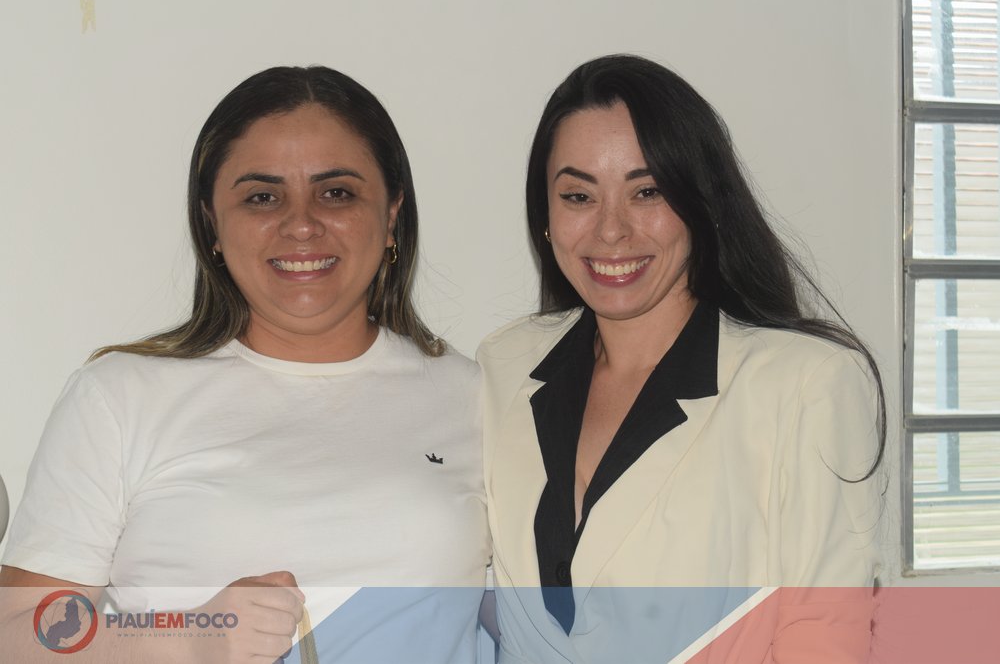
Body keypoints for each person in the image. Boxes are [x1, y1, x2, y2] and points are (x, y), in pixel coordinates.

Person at [0, 65, 489, 663]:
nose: (301, 224)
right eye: (262, 197)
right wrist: (189, 639)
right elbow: (16, 638)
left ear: (391, 215)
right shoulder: (118, 396)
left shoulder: (479, 397)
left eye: (336, 192)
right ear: (212, 221)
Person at [477, 54, 886, 663]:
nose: (611, 230)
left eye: (647, 191)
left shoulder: (808, 385)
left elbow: (822, 638)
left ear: (702, 204)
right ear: (546, 216)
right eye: (578, 195)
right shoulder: (502, 364)